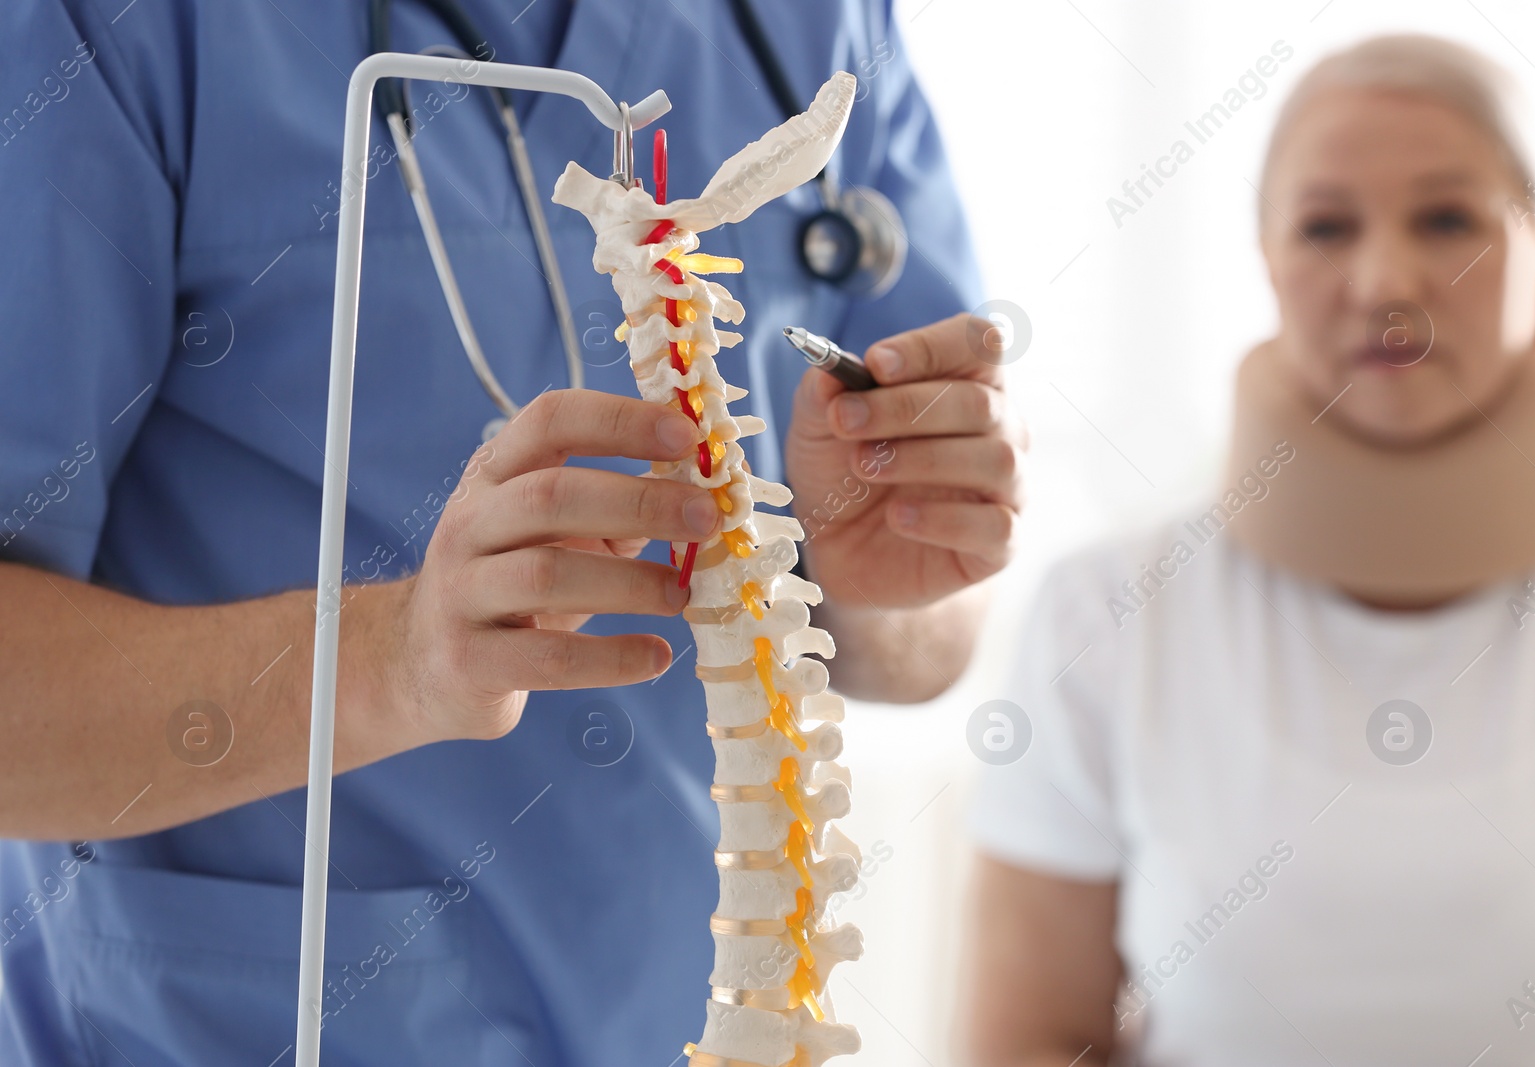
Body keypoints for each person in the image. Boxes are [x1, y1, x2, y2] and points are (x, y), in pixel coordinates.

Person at [0, 2, 1023, 1064]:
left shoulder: (814, 22)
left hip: (705, 1012)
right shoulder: (118, 30)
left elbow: (929, 636)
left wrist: (876, 537)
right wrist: (390, 660)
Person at [963, 33, 1535, 1067]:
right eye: (1324, 226)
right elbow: (1026, 1040)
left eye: (1447, 219)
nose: (1385, 278)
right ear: (1265, 259)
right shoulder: (1103, 617)